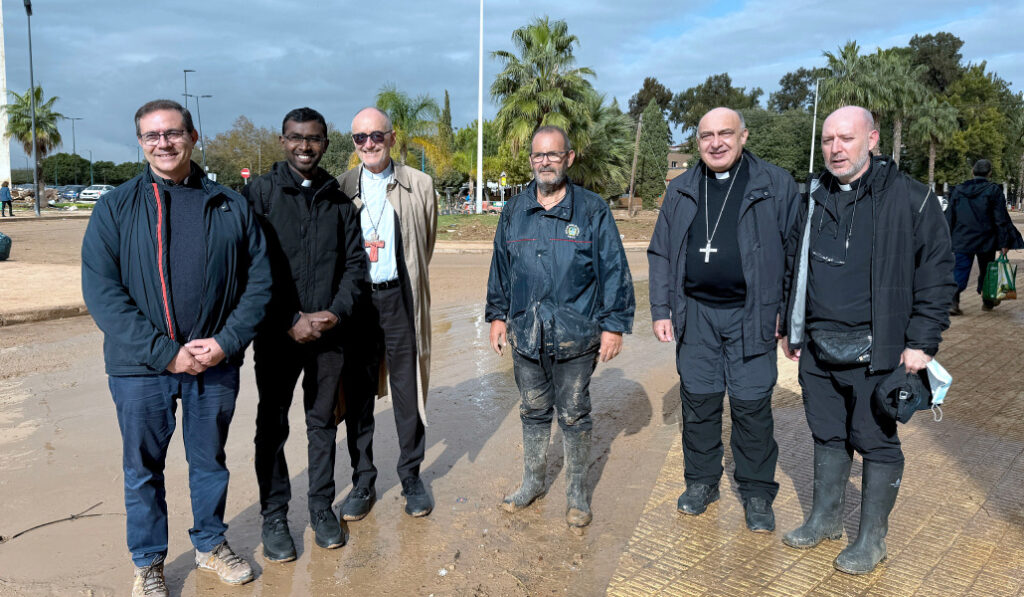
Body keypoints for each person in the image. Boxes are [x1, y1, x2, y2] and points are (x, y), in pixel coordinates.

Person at [81, 99, 271, 596]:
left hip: (214, 363)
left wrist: (227, 342)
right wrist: (165, 352)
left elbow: (259, 284)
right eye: (151, 136)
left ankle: (210, 544)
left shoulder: (230, 204)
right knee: (142, 470)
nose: (162, 143)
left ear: (192, 136)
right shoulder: (115, 207)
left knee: (209, 461)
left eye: (172, 133)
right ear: (141, 143)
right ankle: (148, 562)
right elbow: (103, 292)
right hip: (139, 368)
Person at [780, 106, 954, 574]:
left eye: (846, 138)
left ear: (873, 139)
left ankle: (872, 541)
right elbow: (792, 265)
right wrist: (790, 326)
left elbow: (938, 277)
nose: (835, 149)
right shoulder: (812, 197)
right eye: (828, 140)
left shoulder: (912, 200)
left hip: (880, 350)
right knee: (827, 435)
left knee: (875, 442)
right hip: (818, 347)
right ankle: (825, 519)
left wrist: (922, 344)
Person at [647, 107, 801, 532]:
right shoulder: (680, 189)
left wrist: (787, 316)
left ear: (744, 136)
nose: (715, 143)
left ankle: (755, 492)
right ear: (697, 142)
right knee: (698, 403)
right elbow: (660, 253)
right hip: (696, 314)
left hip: (753, 315)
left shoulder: (775, 185)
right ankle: (701, 482)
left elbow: (794, 255)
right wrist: (662, 309)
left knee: (752, 407)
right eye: (706, 135)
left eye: (725, 134)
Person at [486, 125, 635, 527]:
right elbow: (501, 268)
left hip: (576, 336)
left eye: (553, 155)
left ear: (568, 158)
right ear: (531, 161)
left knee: (573, 414)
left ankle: (576, 494)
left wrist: (614, 325)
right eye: (538, 155)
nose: (545, 162)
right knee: (533, 411)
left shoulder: (591, 209)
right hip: (526, 333)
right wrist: (497, 317)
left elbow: (613, 269)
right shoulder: (514, 211)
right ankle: (532, 482)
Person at [245, 107, 367, 562]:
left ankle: (320, 507)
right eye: (296, 138)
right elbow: (251, 268)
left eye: (313, 139)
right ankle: (275, 515)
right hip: (277, 336)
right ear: (282, 140)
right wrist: (289, 318)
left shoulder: (338, 200)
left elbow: (356, 266)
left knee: (321, 425)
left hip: (329, 335)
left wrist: (334, 314)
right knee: (272, 426)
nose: (304, 146)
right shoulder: (257, 194)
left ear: (325, 142)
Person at [336, 107, 436, 520]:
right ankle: (363, 480)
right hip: (357, 306)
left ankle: (411, 475)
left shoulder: (419, 184)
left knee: (407, 390)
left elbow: (423, 246)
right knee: (357, 395)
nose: (369, 144)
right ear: (353, 143)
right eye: (361, 138)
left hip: (399, 299)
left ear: (392, 138)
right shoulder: (342, 188)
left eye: (377, 135)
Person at [945, 158, 1024, 314]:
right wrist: (1004, 242)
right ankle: (988, 300)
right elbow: (1000, 219)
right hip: (986, 239)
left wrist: (946, 237)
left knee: (960, 269)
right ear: (989, 173)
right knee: (987, 270)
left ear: (972, 172)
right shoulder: (993, 191)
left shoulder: (959, 190)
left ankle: (953, 302)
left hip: (962, 238)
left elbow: (950, 216)